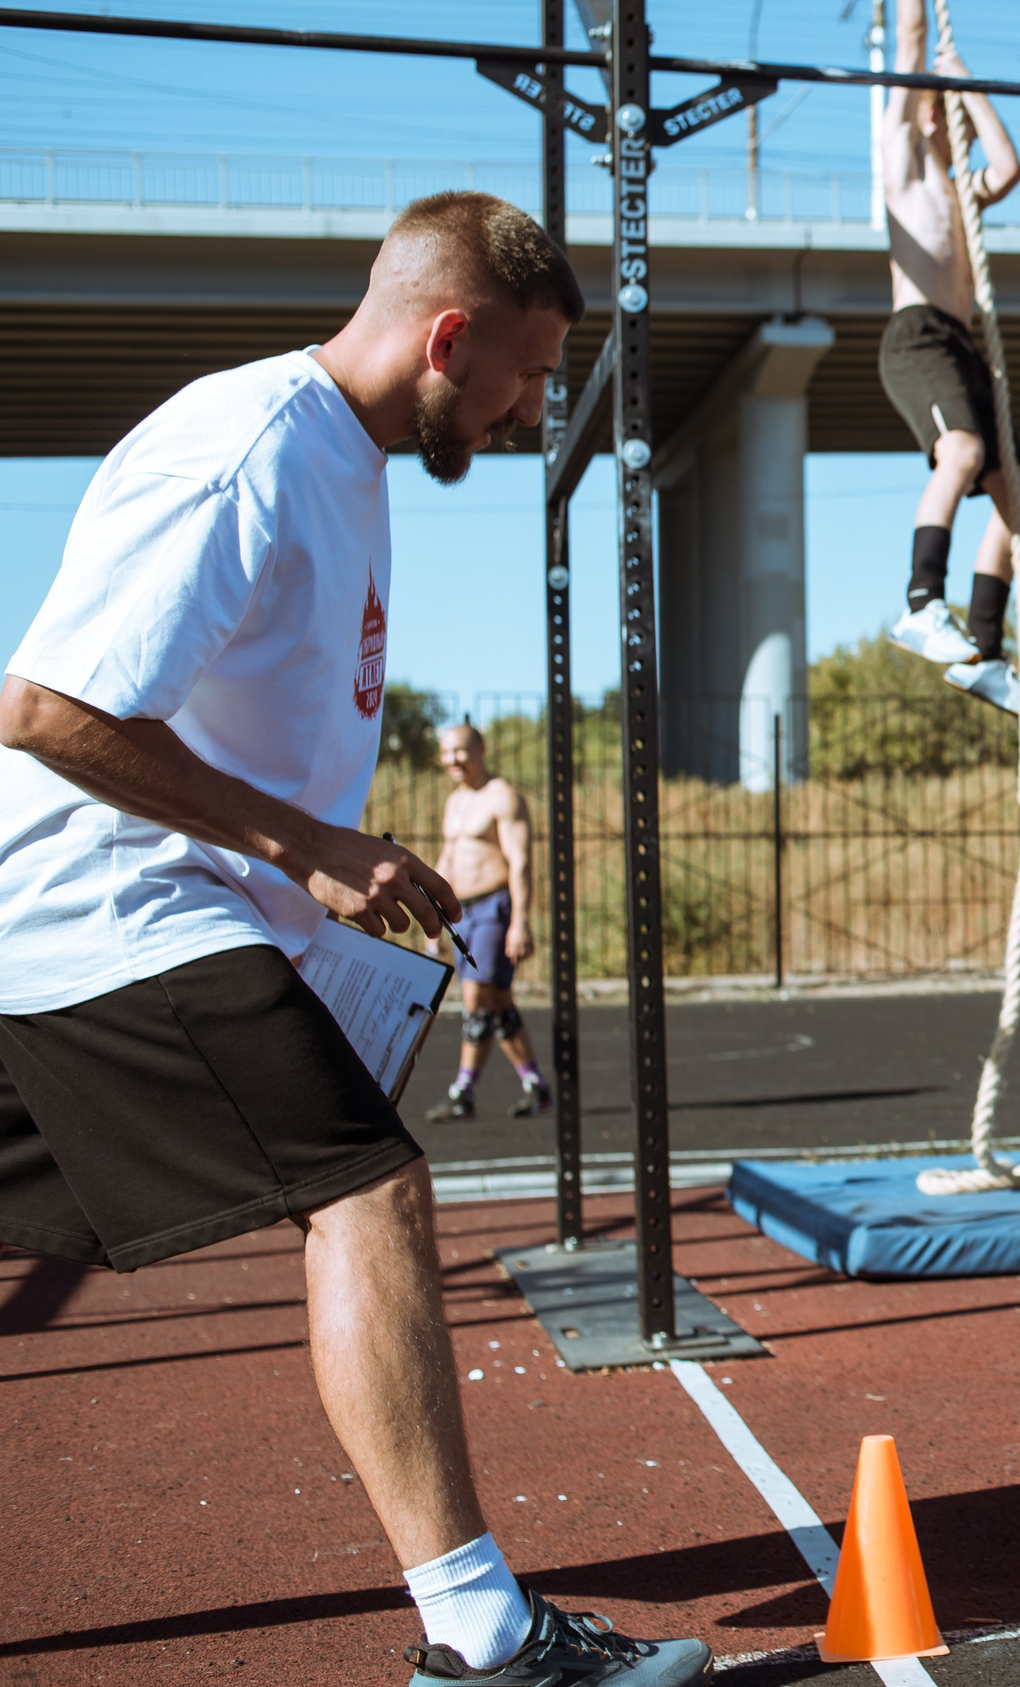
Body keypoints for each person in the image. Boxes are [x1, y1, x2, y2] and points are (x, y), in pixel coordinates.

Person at [0, 193, 707, 1686]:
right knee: (369, 1195)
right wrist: (306, 846)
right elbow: (48, 708)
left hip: (124, 923)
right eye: (523, 376)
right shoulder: (247, 448)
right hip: (108, 911)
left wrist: (334, 858)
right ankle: (484, 1634)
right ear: (448, 335)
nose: (528, 412)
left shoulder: (348, 462)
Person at [877, 0, 1020, 721]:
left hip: (963, 344)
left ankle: (983, 650)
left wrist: (970, 84)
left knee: (1018, 492)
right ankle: (919, 603)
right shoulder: (904, 163)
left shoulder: (964, 187)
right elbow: (910, 37)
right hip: (918, 337)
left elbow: (1009, 165)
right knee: (963, 452)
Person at [423, 722, 548, 1125]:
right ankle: (535, 1084)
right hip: (463, 913)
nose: (452, 760)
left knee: (476, 998)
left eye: (459, 751)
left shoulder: (502, 796)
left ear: (479, 750)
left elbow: (521, 862)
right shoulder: (456, 801)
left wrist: (521, 923)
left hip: (495, 908)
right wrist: (433, 915)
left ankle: (462, 1093)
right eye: (445, 753)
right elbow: (449, 856)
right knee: (496, 1001)